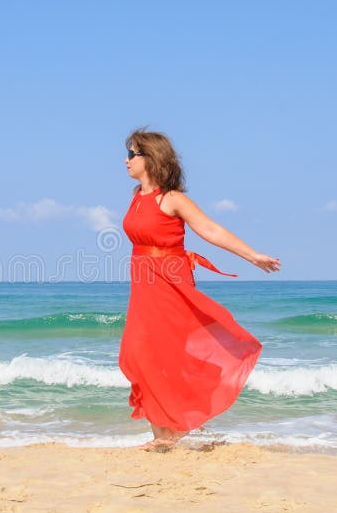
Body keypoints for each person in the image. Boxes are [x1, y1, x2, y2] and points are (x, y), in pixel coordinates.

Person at [119, 128, 281, 452]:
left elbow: (209, 229)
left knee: (166, 353)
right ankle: (162, 435)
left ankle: (170, 435)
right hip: (144, 286)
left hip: (169, 284)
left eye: (132, 154)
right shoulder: (137, 196)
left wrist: (252, 255)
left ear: (150, 158)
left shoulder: (172, 199)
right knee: (140, 353)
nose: (126, 160)